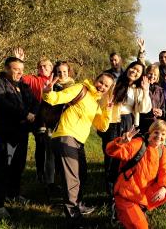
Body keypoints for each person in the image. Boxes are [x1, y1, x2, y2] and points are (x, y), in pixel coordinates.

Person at [42, 72, 114, 226]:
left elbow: (102, 126)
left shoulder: (95, 102)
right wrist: (48, 91)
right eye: (101, 82)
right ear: (95, 79)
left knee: (81, 175)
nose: (102, 86)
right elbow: (56, 98)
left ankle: (78, 206)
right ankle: (74, 219)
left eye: (106, 86)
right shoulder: (80, 89)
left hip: (78, 142)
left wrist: (107, 110)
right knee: (72, 180)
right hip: (65, 136)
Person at [0, 57, 39, 218]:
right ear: (6, 68)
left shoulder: (22, 84)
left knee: (18, 165)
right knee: (3, 166)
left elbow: (35, 101)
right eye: (16, 69)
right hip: (4, 132)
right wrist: (24, 114)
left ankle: (13, 194)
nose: (20, 73)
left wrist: (33, 114)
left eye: (22, 70)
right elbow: (1, 103)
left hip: (21, 132)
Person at [105, 121, 166, 229]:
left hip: (143, 191)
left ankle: (140, 208)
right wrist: (120, 142)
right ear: (150, 132)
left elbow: (165, 170)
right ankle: (119, 210)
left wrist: (163, 187)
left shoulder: (161, 150)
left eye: (163, 134)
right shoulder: (138, 144)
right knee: (142, 227)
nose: (159, 136)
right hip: (126, 194)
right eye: (156, 132)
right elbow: (111, 151)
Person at [101, 60, 152, 197]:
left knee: (125, 156)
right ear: (128, 68)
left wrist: (146, 91)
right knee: (111, 154)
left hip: (128, 122)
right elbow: (103, 99)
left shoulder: (138, 89)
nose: (134, 72)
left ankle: (121, 189)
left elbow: (144, 109)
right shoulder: (115, 83)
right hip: (112, 122)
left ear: (141, 76)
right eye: (133, 68)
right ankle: (110, 192)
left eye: (138, 71)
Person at [13, 48, 53, 183]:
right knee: (41, 144)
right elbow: (19, 78)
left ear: (51, 68)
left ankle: (54, 174)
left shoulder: (57, 79)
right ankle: (40, 172)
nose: (43, 68)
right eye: (40, 66)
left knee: (54, 146)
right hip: (38, 117)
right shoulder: (34, 79)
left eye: (45, 66)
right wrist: (20, 60)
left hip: (54, 118)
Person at [37, 61, 76, 197]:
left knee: (65, 157)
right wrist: (43, 125)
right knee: (50, 156)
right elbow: (44, 106)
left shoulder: (75, 87)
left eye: (64, 72)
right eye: (59, 72)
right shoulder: (52, 86)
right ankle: (50, 184)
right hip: (52, 126)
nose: (62, 74)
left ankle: (66, 184)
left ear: (69, 72)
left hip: (69, 127)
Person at [139, 64, 165, 135]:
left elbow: (163, 106)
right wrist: (150, 111)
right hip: (143, 123)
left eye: (155, 75)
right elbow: (138, 106)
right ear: (146, 74)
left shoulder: (160, 90)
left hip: (156, 124)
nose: (152, 76)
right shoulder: (140, 87)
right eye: (150, 73)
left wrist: (161, 112)